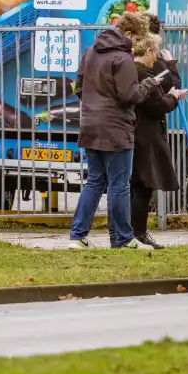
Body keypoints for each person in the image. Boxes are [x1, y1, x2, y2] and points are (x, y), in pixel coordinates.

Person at [69, 12, 160, 250]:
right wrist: (149, 84)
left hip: (90, 124)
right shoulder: (123, 58)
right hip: (117, 129)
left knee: (94, 183)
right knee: (119, 184)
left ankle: (78, 236)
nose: (137, 44)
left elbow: (79, 88)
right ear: (128, 33)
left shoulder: (90, 52)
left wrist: (94, 104)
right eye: (137, 38)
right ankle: (124, 238)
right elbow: (131, 95)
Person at [131, 32, 188, 249]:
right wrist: (173, 96)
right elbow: (157, 106)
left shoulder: (131, 70)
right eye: (155, 52)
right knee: (143, 187)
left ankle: (131, 233)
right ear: (147, 51)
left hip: (136, 132)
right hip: (145, 134)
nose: (156, 58)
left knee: (135, 185)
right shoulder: (143, 74)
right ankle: (138, 233)